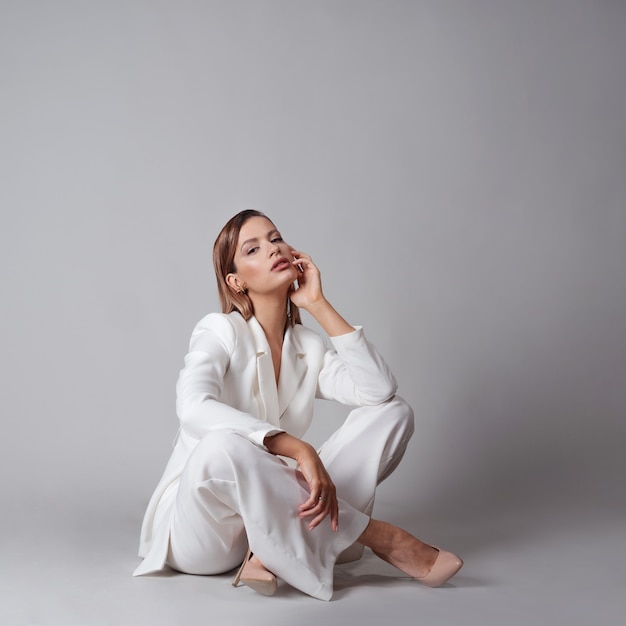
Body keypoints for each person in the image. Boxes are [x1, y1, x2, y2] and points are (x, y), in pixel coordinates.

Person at [133, 209, 462, 600]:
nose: (273, 249)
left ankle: (274, 550)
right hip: (205, 532)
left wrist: (318, 303)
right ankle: (379, 537)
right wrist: (295, 447)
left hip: (275, 515)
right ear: (235, 281)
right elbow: (192, 407)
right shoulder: (220, 330)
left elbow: (379, 390)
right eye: (253, 249)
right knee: (221, 446)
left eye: (275, 239)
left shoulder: (306, 347)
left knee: (394, 412)